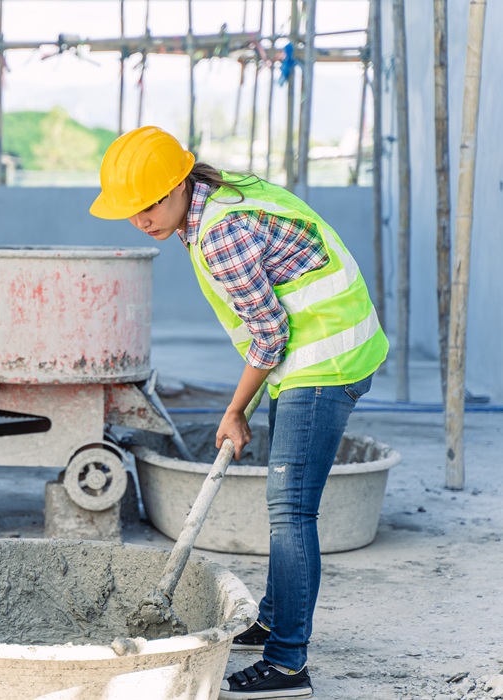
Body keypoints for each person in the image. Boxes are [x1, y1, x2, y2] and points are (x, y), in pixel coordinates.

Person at [90, 126, 388, 699]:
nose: (142, 220)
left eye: (150, 204)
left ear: (180, 183)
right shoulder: (216, 198)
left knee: (291, 510)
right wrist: (249, 401)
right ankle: (274, 622)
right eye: (132, 209)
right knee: (288, 502)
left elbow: (269, 333)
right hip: (315, 350)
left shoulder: (221, 232)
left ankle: (287, 664)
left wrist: (234, 409)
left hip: (325, 358)